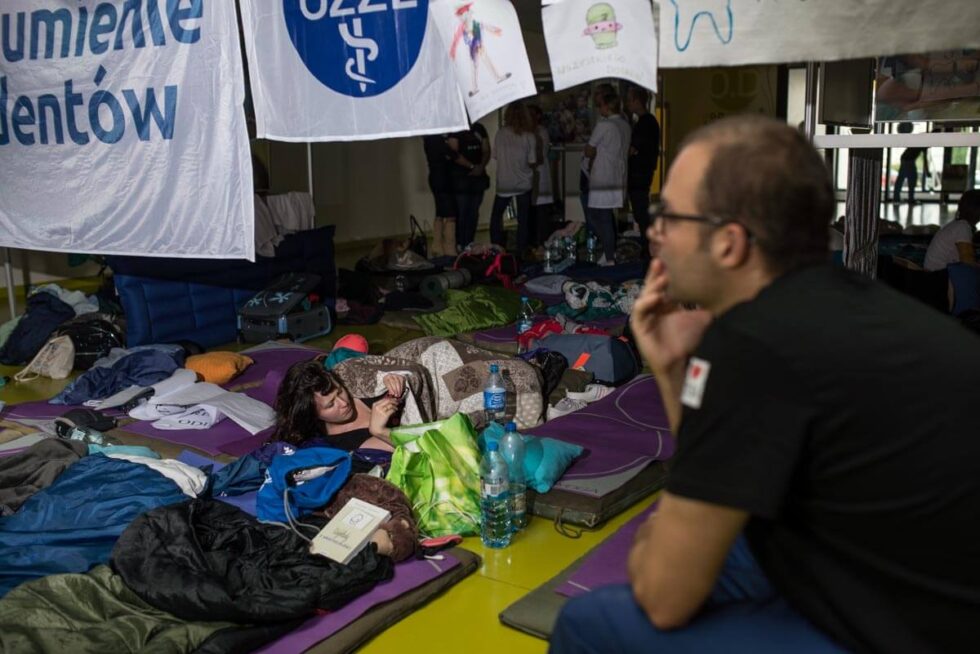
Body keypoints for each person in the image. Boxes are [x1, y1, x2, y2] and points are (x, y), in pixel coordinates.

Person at [550, 116, 980, 653]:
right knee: (736, 549)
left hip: (906, 631)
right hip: (906, 578)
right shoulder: (849, 300)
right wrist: (675, 372)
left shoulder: (755, 346)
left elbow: (662, 594)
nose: (654, 233)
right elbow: (722, 467)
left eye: (670, 217)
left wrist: (656, 548)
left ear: (729, 244)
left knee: (590, 623)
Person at [272, 360, 408, 452]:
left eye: (340, 391)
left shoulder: (357, 386)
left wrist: (386, 377)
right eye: (331, 404)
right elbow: (412, 448)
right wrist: (380, 431)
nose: (344, 403)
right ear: (313, 415)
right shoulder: (343, 444)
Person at [583, 90, 630, 265]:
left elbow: (589, 150)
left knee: (598, 216)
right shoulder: (625, 125)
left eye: (600, 104)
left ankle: (610, 255)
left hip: (603, 176)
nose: (598, 108)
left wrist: (592, 151)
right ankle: (609, 251)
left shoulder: (604, 125)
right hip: (618, 175)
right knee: (605, 215)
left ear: (607, 106)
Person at [489, 102, 537, 255]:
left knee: (496, 217)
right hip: (523, 182)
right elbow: (532, 161)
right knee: (524, 219)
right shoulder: (529, 136)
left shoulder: (500, 133)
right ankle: (521, 250)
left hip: (504, 181)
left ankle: (497, 248)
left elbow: (495, 156)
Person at [626, 86, 661, 259]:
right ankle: (648, 246)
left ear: (637, 101)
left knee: (641, 210)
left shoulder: (645, 123)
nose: (627, 104)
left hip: (640, 172)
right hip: (643, 170)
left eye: (629, 100)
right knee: (641, 209)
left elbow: (633, 148)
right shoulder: (648, 122)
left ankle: (648, 247)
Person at [448, 121, 491, 252]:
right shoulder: (455, 129)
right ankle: (460, 243)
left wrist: (480, 167)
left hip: (478, 178)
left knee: (473, 212)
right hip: (461, 178)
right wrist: (472, 166)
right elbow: (454, 154)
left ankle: (469, 242)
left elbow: (486, 150)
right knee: (462, 212)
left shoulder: (479, 128)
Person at [923, 189, 980, 271]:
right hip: (938, 275)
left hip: (934, 272)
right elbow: (968, 261)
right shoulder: (963, 227)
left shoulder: (958, 225)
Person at [422, 133, 457, 257]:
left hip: (435, 176)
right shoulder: (437, 139)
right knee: (450, 214)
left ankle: (437, 246)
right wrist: (452, 147)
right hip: (443, 177)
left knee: (440, 213)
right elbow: (452, 154)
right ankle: (449, 249)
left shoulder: (428, 139)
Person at [529, 104, 555, 247]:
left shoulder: (541, 132)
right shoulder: (527, 132)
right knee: (532, 211)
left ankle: (542, 240)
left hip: (539, 173)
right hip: (529, 176)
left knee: (541, 210)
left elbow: (540, 155)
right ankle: (533, 240)